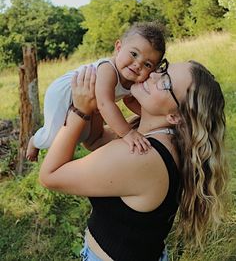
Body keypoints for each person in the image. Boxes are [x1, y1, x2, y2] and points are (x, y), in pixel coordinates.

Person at [39, 59, 228, 261]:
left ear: (175, 116)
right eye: (162, 69)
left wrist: (79, 111)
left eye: (165, 83)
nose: (153, 75)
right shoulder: (163, 138)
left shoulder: (141, 156)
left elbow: (50, 176)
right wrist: (98, 102)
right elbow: (97, 141)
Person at [26, 22, 165, 161]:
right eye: (134, 54)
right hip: (63, 92)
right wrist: (127, 133)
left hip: (85, 98)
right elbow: (104, 104)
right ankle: (36, 140)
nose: (137, 64)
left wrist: (151, 116)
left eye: (147, 64)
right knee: (52, 138)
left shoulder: (132, 79)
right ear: (118, 47)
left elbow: (130, 100)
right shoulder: (108, 69)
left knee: (83, 136)